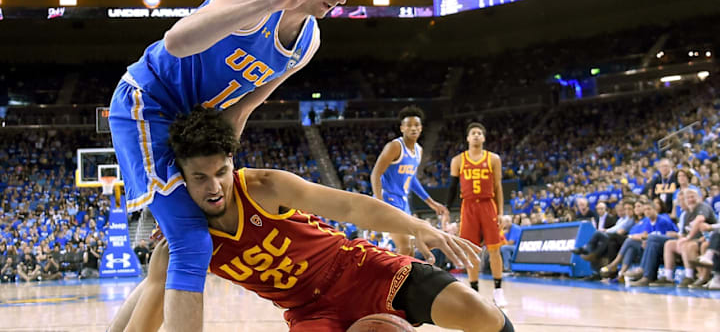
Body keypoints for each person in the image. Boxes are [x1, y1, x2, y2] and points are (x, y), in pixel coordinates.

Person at [107, 0, 371, 330]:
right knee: (191, 244)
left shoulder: (308, 41)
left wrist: (223, 171)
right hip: (147, 103)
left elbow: (243, 107)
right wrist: (275, 2)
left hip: (194, 128)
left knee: (172, 255)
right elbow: (176, 42)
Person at [108, 107, 514, 332]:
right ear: (182, 177)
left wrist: (418, 226)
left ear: (232, 163)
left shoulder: (264, 185)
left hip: (361, 268)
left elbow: (352, 207)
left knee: (486, 319)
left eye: (220, 173)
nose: (214, 187)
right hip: (309, 314)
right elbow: (150, 300)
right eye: (199, 178)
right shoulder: (184, 236)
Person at [370, 106, 449, 256]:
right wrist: (379, 201)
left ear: (421, 128)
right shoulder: (394, 146)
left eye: (416, 125)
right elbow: (375, 173)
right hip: (388, 199)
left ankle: (402, 278)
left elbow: (411, 179)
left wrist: (431, 203)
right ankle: (397, 278)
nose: (413, 128)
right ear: (402, 128)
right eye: (409, 125)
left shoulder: (418, 151)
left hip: (403, 202)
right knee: (405, 247)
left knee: (410, 249)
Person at [446, 123, 508, 307]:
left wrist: (501, 213)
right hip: (469, 207)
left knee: (494, 249)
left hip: (488, 205)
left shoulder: (493, 159)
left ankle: (498, 291)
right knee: (471, 249)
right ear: (467, 138)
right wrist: (447, 210)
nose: (476, 136)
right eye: (473, 133)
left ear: (484, 138)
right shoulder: (458, 160)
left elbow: (498, 187)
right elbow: (452, 188)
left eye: (479, 133)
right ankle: (474, 291)